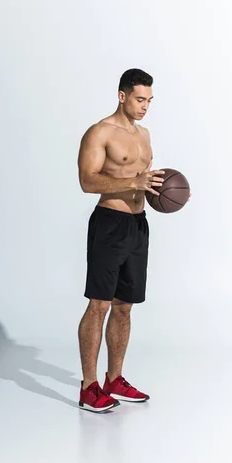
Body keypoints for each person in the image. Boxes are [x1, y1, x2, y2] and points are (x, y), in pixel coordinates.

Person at [77, 68, 165, 413]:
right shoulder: (100, 132)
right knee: (99, 305)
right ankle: (89, 387)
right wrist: (134, 184)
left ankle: (115, 379)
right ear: (122, 95)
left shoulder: (144, 135)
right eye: (140, 99)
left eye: (149, 100)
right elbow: (87, 181)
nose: (145, 106)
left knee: (124, 306)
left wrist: (164, 191)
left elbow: (144, 180)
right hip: (109, 224)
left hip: (138, 226)